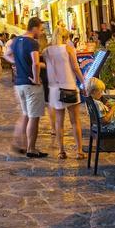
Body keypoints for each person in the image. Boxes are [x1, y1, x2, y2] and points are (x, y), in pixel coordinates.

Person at [4, 16, 47, 158]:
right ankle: (31, 148)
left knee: (26, 115)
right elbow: (35, 63)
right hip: (31, 84)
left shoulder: (16, 41)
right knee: (33, 117)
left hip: (19, 84)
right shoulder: (32, 43)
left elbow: (6, 54)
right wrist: (36, 78)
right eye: (40, 29)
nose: (40, 33)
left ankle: (22, 144)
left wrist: (17, 63)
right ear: (34, 27)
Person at [42, 29, 87, 159]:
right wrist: (84, 82)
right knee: (75, 121)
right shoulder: (68, 49)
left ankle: (61, 151)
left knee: (59, 122)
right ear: (66, 37)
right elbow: (75, 67)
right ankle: (79, 151)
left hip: (55, 89)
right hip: (69, 87)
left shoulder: (47, 51)